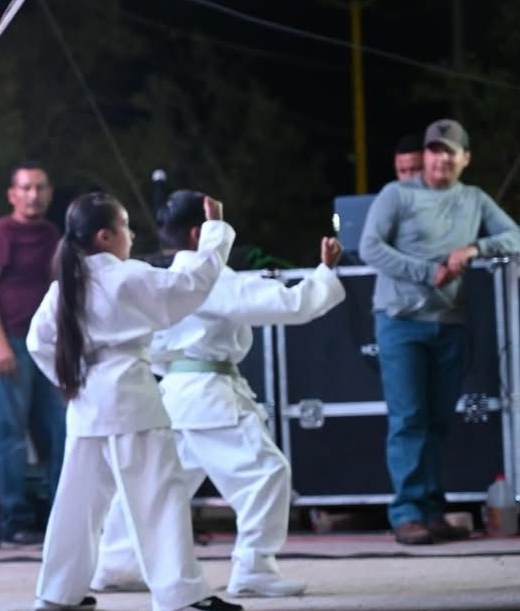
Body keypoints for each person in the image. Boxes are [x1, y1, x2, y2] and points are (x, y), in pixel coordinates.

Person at [92, 189, 347, 598]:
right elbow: (292, 304)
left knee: (157, 482)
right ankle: (254, 566)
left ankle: (118, 563)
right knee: (266, 473)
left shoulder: (160, 279)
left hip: (171, 394)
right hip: (211, 396)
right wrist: (325, 271)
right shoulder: (210, 280)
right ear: (200, 232)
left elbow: (150, 343)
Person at [27, 192, 242, 611]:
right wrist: (214, 230)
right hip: (131, 400)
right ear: (106, 236)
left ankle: (57, 595)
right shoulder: (125, 276)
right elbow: (191, 285)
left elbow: (39, 342)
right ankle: (180, 596)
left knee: (77, 507)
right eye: (125, 227)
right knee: (158, 500)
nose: (132, 235)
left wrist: (71, 379)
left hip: (87, 403)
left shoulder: (65, 287)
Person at [360, 119, 520, 545]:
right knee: (409, 418)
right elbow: (371, 245)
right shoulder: (397, 194)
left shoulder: (474, 198)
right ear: (425, 156)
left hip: (449, 324)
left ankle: (432, 512)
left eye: (451, 150)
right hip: (400, 322)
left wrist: (476, 248)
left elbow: (515, 236)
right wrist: (427, 271)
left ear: (465, 158)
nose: (441, 157)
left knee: (437, 421)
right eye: (434, 149)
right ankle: (407, 513)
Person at [0, 162, 64, 547]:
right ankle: (14, 521)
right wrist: (0, 344)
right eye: (25, 188)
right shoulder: (1, 232)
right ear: (12, 194)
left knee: (60, 432)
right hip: (9, 343)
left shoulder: (54, 234)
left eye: (40, 188)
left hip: (46, 347)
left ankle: (64, 515)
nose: (33, 195)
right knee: (9, 435)